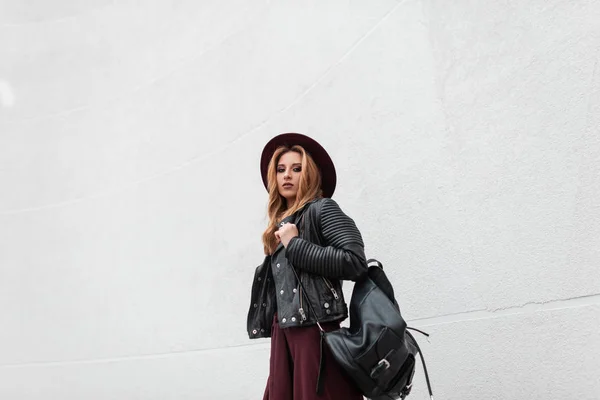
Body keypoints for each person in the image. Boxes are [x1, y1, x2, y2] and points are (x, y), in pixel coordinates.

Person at [247, 133, 367, 400]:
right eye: (281, 169)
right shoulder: (279, 225)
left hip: (315, 332)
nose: (287, 175)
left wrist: (296, 245)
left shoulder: (322, 209)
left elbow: (355, 262)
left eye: (296, 168)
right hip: (284, 334)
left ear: (310, 174)